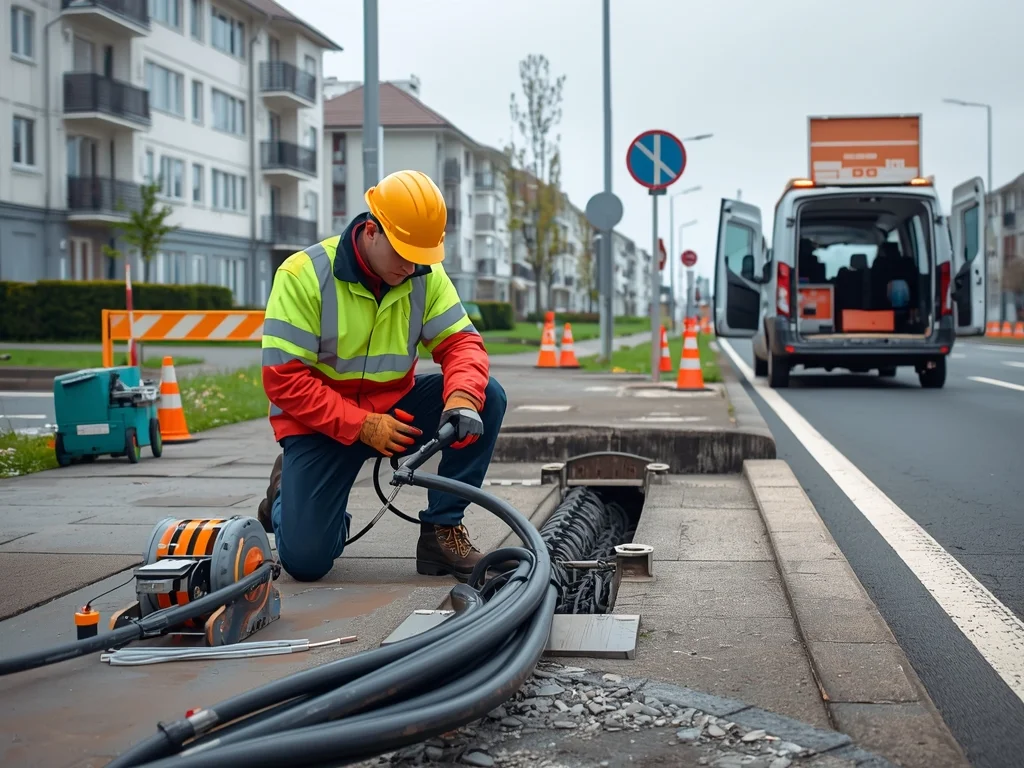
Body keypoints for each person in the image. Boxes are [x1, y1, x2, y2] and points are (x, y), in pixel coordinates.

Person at [256, 169, 507, 583]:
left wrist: (461, 397)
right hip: (317, 425)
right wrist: (361, 425)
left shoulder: (425, 275)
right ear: (371, 231)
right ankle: (287, 492)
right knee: (306, 562)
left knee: (486, 397)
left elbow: (462, 345)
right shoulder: (301, 276)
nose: (411, 268)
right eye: (403, 254)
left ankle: (441, 531)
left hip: (395, 413)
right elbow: (285, 380)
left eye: (421, 257)